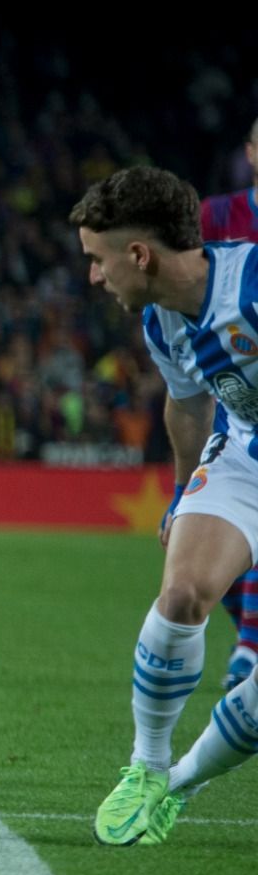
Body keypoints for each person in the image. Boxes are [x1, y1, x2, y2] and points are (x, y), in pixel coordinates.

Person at [72, 165, 258, 846]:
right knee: (181, 593)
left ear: (139, 255)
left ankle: (181, 781)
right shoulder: (162, 319)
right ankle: (146, 767)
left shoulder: (253, 285)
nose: (96, 276)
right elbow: (188, 405)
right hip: (246, 452)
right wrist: (183, 495)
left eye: (99, 259)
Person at [199, 119, 258, 690]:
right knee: (205, 543)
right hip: (229, 388)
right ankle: (246, 628)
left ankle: (248, 644)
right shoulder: (216, 216)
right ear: (250, 153)